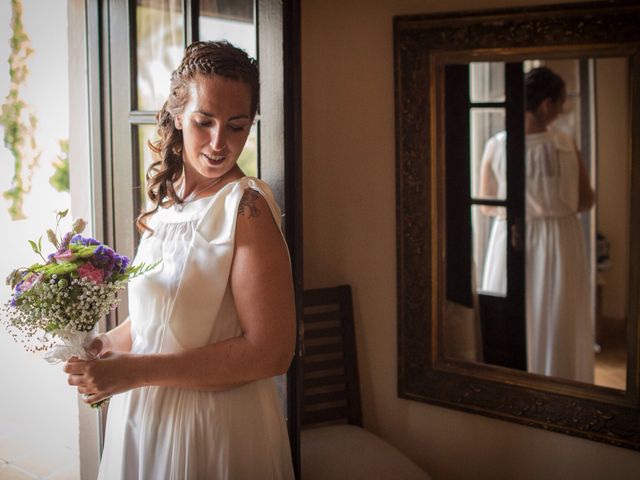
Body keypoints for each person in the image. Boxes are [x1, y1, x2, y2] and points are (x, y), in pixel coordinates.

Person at [64, 41, 296, 479]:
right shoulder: (171, 202)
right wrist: (107, 345)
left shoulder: (246, 209)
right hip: (143, 419)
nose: (218, 143)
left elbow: (271, 352)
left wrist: (133, 373)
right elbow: (165, 318)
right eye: (204, 122)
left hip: (209, 429)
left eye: (237, 126)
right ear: (176, 115)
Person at [479, 66, 595, 383]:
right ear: (547, 104)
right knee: (557, 310)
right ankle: (558, 378)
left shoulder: (495, 145)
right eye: (561, 102)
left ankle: (510, 379)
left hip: (510, 234)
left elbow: (487, 203)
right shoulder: (566, 145)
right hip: (559, 237)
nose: (562, 109)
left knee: (512, 310)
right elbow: (586, 200)